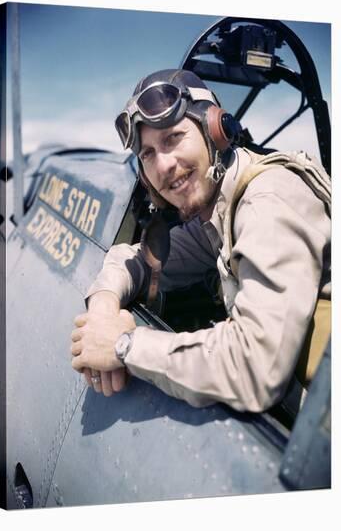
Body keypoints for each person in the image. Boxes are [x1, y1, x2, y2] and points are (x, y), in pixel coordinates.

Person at [70, 69, 331, 413]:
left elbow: (257, 370)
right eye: (148, 153)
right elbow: (140, 261)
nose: (163, 165)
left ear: (215, 132)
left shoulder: (266, 202)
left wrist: (123, 346)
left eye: (173, 138)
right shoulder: (217, 213)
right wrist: (103, 307)